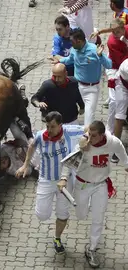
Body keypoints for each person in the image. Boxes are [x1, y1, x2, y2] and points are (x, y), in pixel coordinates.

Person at [15, 111, 84, 254]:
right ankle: (50, 205)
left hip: (65, 181)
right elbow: (32, 146)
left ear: (60, 125)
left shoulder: (69, 131)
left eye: (52, 127)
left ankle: (57, 238)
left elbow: (89, 128)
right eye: (47, 126)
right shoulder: (41, 136)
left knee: (62, 213)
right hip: (46, 179)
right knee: (42, 215)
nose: (49, 130)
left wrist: (86, 142)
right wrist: (25, 165)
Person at [61, 121, 128, 268]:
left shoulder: (112, 142)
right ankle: (88, 204)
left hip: (100, 185)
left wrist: (126, 165)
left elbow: (121, 152)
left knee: (98, 218)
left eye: (93, 136)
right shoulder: (83, 145)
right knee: (81, 215)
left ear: (102, 135)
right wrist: (64, 178)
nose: (90, 138)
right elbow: (70, 162)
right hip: (83, 185)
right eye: (88, 134)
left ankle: (91, 248)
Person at [52, 28, 112, 126]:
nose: (71, 44)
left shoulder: (94, 50)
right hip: (76, 86)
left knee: (88, 119)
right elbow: (69, 60)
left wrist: (100, 56)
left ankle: (87, 137)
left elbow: (109, 65)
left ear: (79, 41)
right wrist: (59, 60)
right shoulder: (74, 49)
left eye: (72, 41)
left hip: (91, 90)